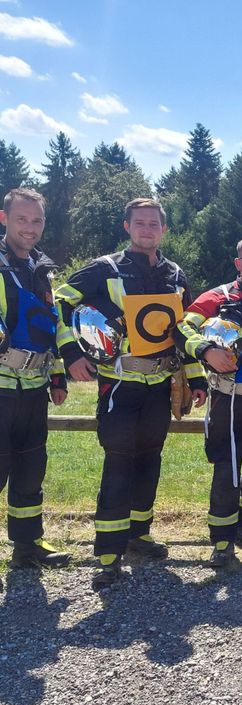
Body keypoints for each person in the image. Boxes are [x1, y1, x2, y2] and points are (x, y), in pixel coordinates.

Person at [55, 198, 206, 590]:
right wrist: (71, 351)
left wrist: (198, 378)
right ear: (126, 226)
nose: (147, 229)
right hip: (119, 384)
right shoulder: (104, 269)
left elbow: (184, 333)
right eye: (139, 223)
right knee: (119, 464)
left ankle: (139, 535)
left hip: (159, 385)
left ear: (164, 230)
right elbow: (57, 301)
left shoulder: (175, 275)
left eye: (154, 223)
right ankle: (108, 554)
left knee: (149, 461)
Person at [175, 236, 242, 569]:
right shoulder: (217, 298)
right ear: (238, 264)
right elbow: (181, 327)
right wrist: (206, 350)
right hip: (229, 397)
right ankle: (221, 540)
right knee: (226, 468)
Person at [0, 188, 71, 581]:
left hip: (34, 386)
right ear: (4, 218)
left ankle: (27, 546)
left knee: (30, 469)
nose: (30, 227)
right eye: (22, 219)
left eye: (37, 220)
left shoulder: (43, 268)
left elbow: (51, 324)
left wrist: (58, 373)